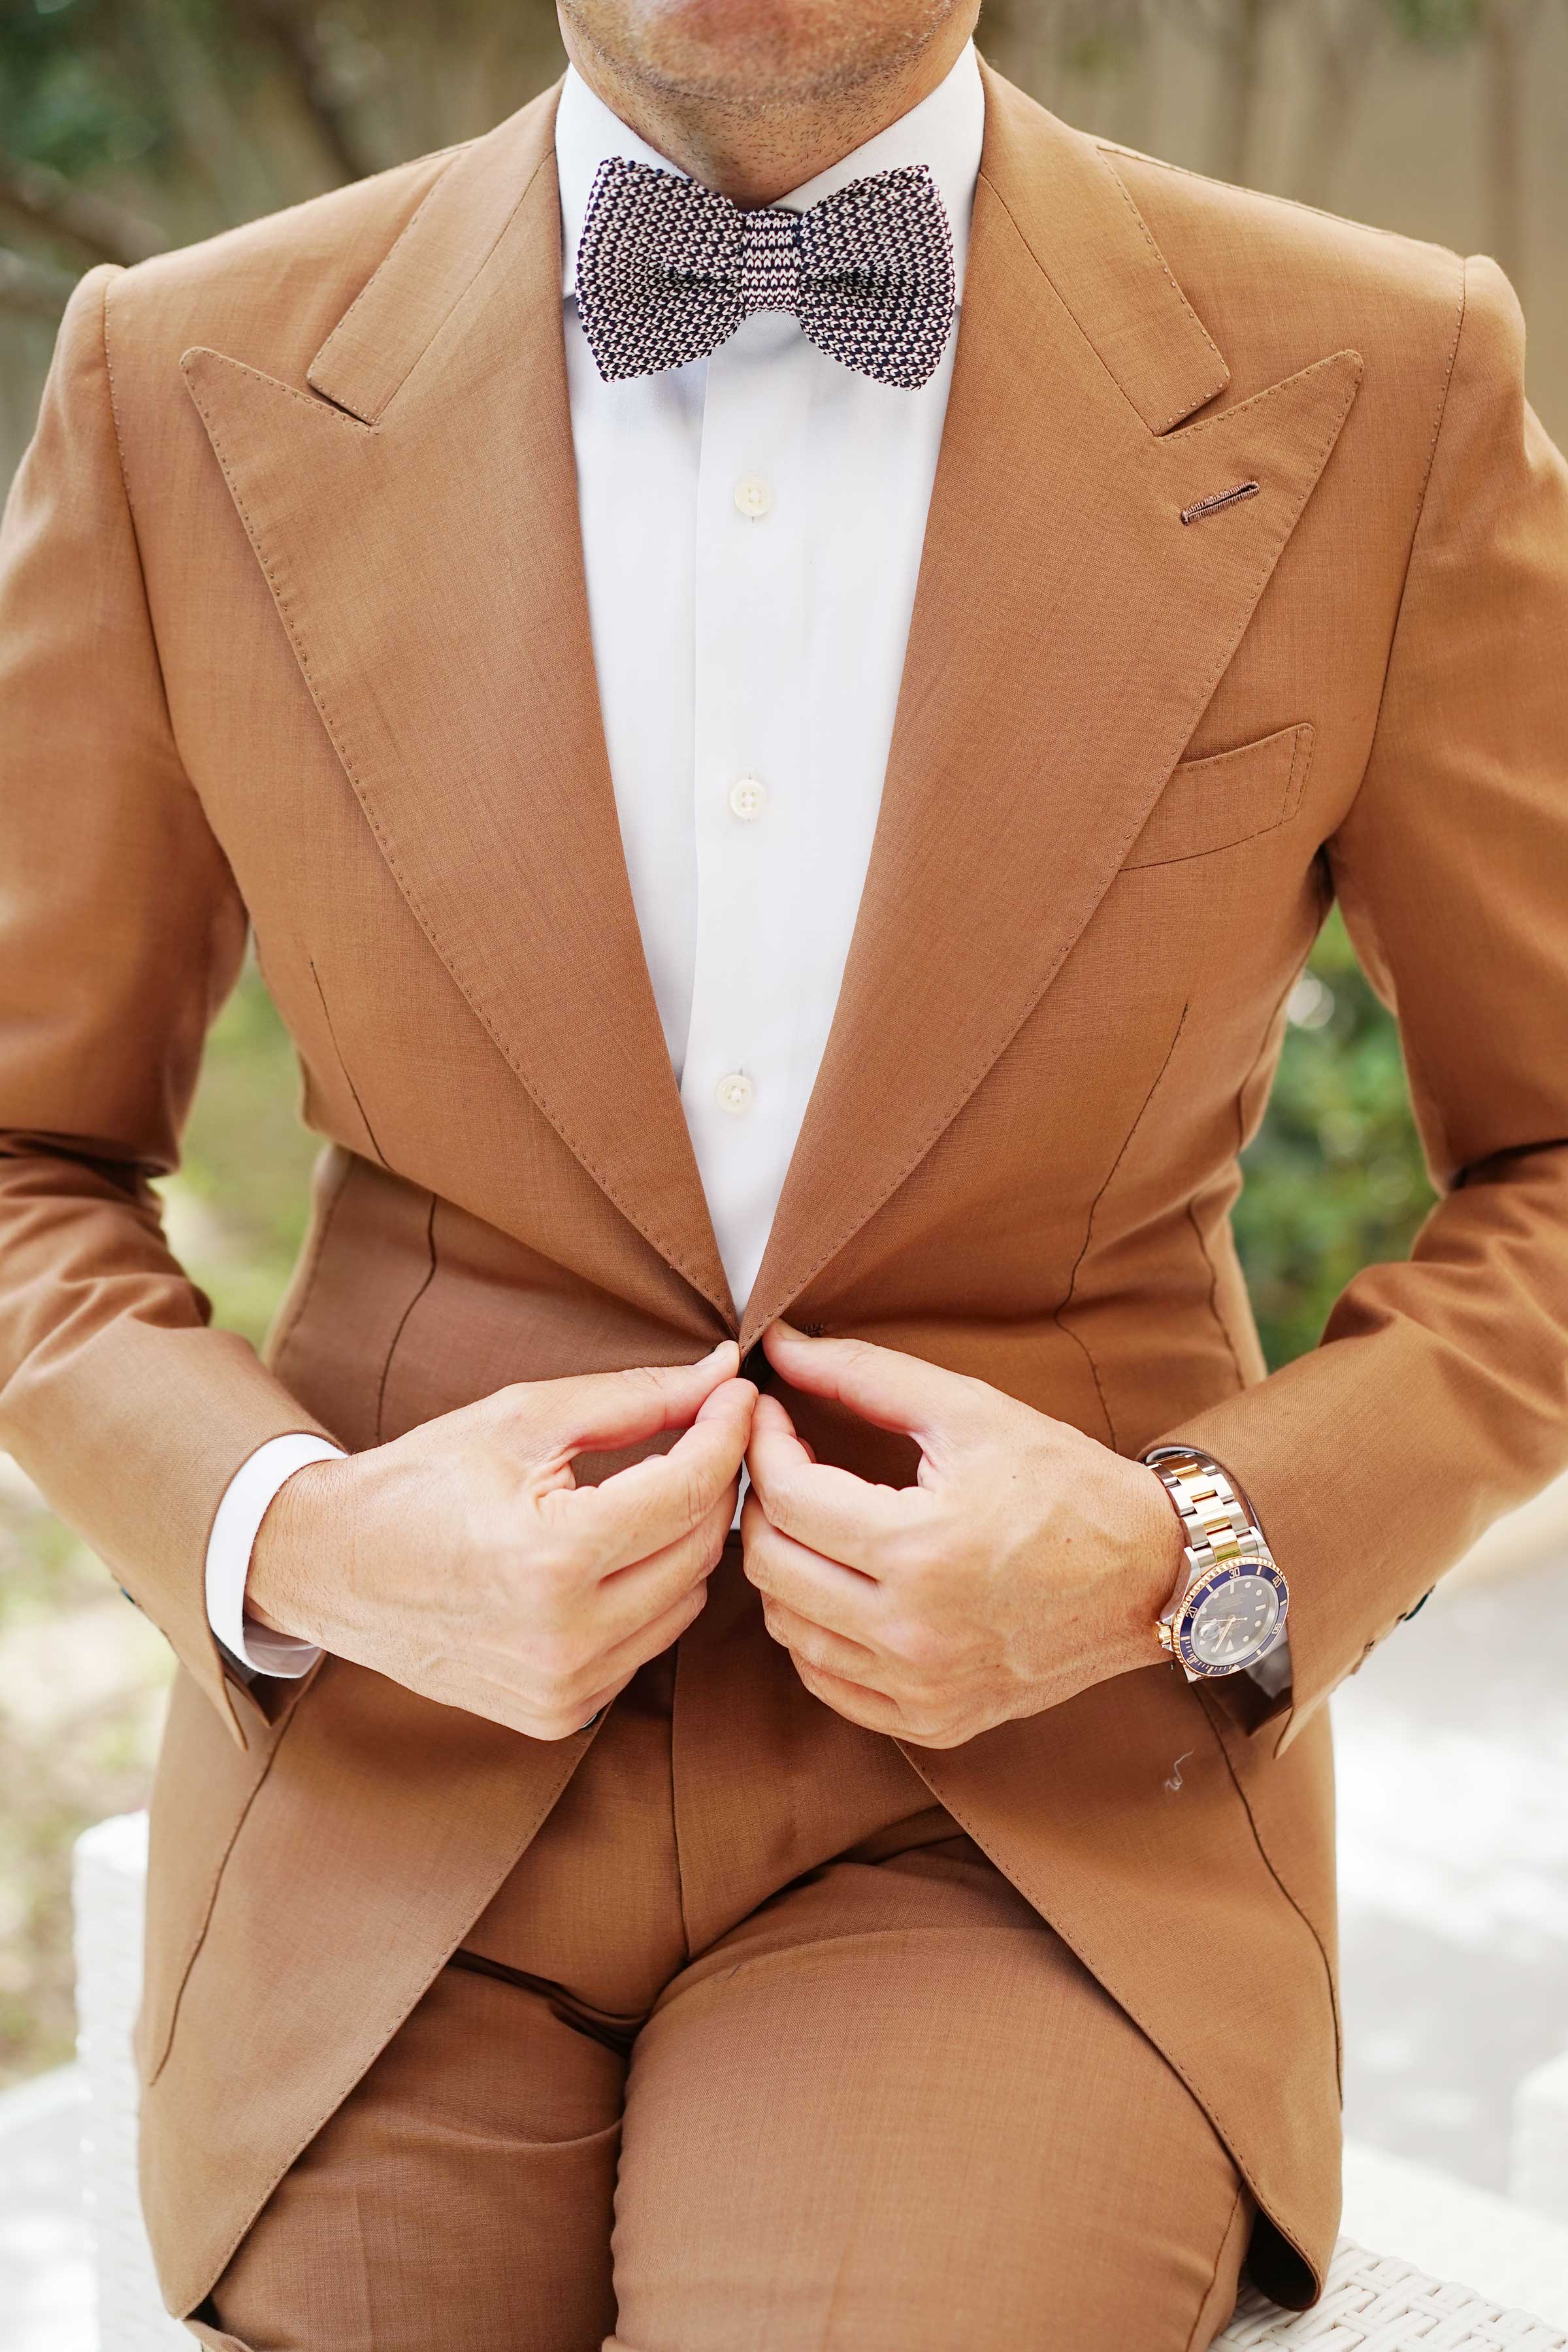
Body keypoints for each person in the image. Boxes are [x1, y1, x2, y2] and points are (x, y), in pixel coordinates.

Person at [3, 0, 1567, 2342]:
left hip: (1035, 1804)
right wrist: (308, 1544)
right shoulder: (174, 375)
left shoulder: (1385, 372)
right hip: (401, 1779)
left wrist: (1184, 1553)